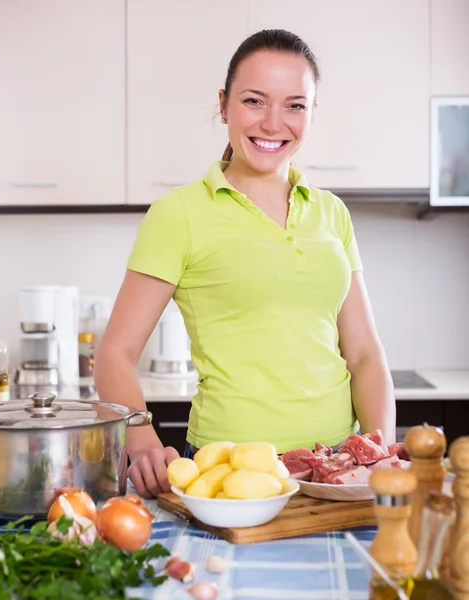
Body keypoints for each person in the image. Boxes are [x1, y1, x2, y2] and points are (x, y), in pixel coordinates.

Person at [94, 29, 396, 499]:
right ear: (224, 105)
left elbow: (364, 355)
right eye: (255, 101)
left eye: (295, 105)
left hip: (334, 467)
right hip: (228, 470)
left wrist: (379, 454)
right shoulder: (179, 214)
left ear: (312, 113)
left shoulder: (331, 212)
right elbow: (114, 353)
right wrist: (141, 437)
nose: (274, 123)